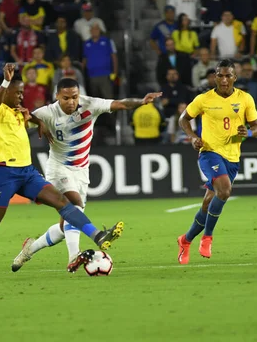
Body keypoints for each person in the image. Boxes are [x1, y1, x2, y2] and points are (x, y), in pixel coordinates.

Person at [0, 64, 126, 281]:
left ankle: (98, 236)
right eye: (18, 92)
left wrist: (39, 122)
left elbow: (32, 119)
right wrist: (5, 83)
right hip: (4, 173)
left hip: (27, 172)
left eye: (23, 92)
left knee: (62, 202)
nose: (22, 96)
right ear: (5, 91)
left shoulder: (18, 113)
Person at [12, 78, 162, 270]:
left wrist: (141, 101)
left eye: (74, 97)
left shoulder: (90, 104)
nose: (71, 102)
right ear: (57, 96)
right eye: (66, 98)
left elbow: (120, 104)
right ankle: (74, 256)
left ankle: (29, 249)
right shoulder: (47, 113)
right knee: (75, 206)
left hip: (81, 171)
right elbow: (20, 124)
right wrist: (28, 118)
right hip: (58, 168)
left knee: (65, 226)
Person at [176, 59, 257, 264]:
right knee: (224, 191)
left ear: (234, 77)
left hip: (232, 157)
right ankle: (207, 237)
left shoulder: (245, 99)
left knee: (208, 203)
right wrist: (194, 137)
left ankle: (185, 240)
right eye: (220, 75)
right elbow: (183, 119)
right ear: (215, 76)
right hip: (209, 152)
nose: (223, 80)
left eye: (228, 76)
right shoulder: (204, 99)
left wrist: (248, 132)